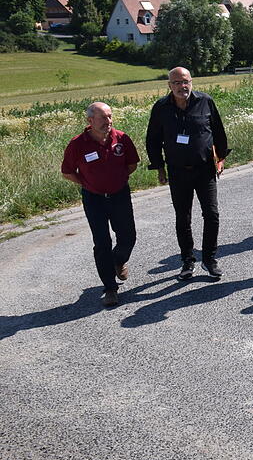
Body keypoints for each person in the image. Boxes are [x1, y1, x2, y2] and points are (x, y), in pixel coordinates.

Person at [146, 66, 230, 280]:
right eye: (177, 82)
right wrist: (159, 167)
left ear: (191, 82)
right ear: (169, 85)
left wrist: (220, 159)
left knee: (212, 214)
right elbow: (153, 140)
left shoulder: (205, 101)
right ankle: (187, 261)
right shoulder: (161, 108)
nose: (182, 86)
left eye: (185, 82)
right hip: (177, 172)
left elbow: (218, 132)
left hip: (205, 169)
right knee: (183, 218)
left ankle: (209, 259)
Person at [61, 102, 140, 307]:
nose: (108, 121)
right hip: (94, 199)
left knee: (128, 236)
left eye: (110, 116)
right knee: (102, 242)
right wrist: (87, 183)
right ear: (90, 120)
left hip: (120, 195)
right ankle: (110, 288)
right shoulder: (77, 144)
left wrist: (118, 179)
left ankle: (118, 260)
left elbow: (132, 164)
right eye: (103, 118)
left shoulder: (121, 138)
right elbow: (67, 172)